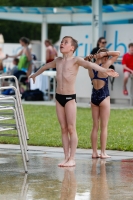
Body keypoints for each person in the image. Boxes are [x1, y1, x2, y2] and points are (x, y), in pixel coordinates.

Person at [29, 36, 119, 167]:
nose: (62, 44)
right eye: (61, 42)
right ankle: (66, 157)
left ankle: (72, 158)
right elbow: (45, 66)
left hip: (70, 98)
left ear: (72, 48)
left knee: (71, 128)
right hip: (59, 98)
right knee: (63, 129)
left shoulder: (76, 60)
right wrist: (35, 75)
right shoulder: (58, 61)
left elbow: (90, 64)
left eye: (65, 42)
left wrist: (105, 70)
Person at [84, 48, 120, 159]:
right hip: (104, 97)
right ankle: (103, 152)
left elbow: (84, 62)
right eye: (106, 57)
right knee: (104, 126)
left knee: (95, 126)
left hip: (94, 97)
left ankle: (94, 152)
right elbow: (117, 54)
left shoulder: (91, 66)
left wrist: (91, 57)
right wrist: (106, 54)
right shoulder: (105, 66)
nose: (108, 59)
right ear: (104, 56)